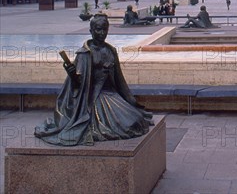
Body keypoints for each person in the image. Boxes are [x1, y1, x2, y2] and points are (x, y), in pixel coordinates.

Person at [35, 14, 153, 146]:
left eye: (105, 29)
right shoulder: (84, 54)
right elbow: (77, 86)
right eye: (98, 29)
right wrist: (73, 76)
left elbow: (119, 80)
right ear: (91, 31)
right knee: (123, 126)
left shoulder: (111, 51)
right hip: (92, 98)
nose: (102, 33)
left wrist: (127, 97)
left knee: (135, 120)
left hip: (111, 94)